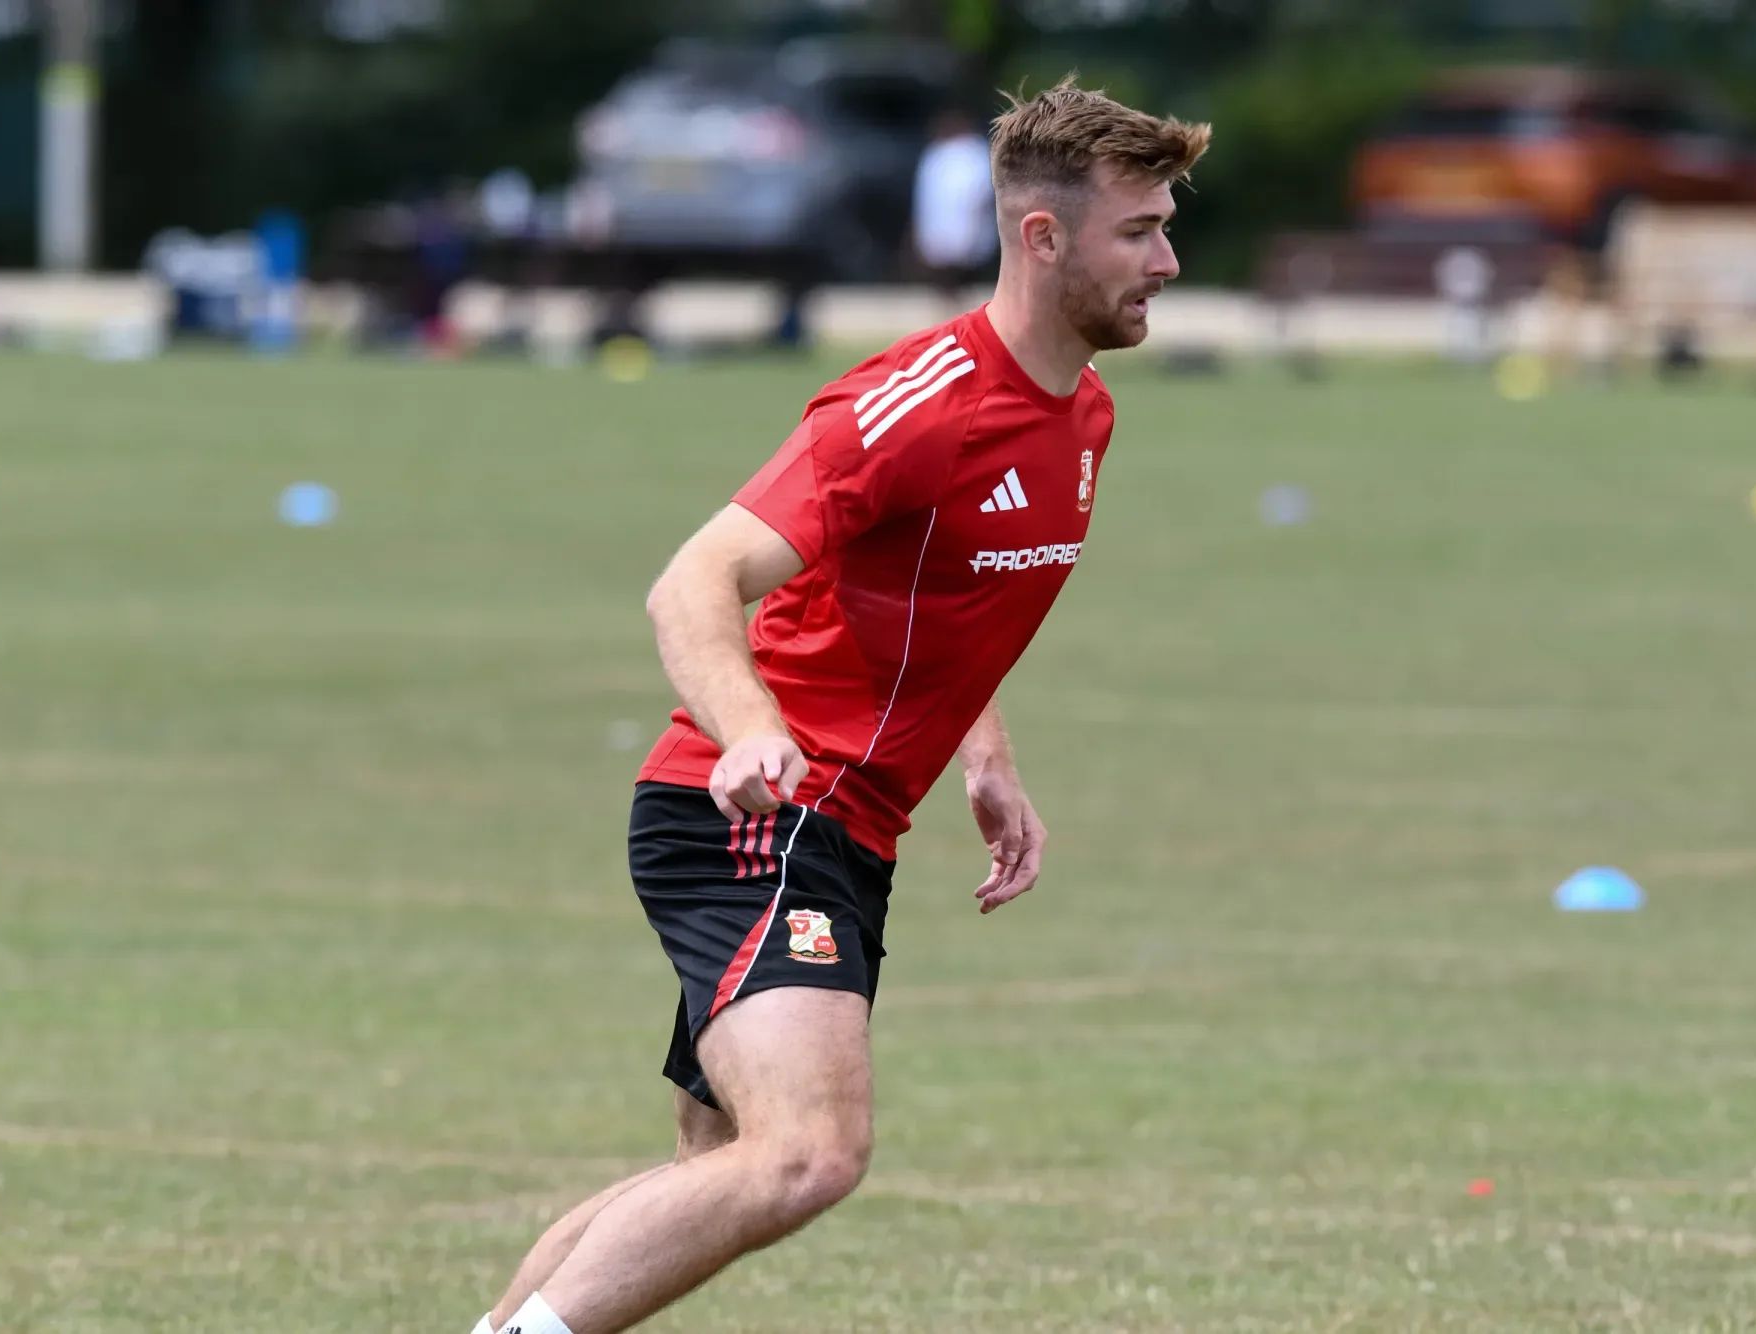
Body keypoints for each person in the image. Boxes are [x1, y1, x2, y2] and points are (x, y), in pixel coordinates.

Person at [474, 77, 1210, 1334]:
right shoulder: (915, 405)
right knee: (810, 1149)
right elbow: (693, 580)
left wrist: (984, 749)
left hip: (847, 826)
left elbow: (941, 596)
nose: (1169, 262)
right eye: (1138, 231)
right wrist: (755, 731)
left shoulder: (1082, 414)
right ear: (1043, 237)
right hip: (760, 811)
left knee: (717, 1165)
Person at [912, 108, 998, 313]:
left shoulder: (973, 152)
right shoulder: (937, 154)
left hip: (968, 221)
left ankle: (962, 301)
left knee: (964, 264)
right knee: (945, 265)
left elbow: (980, 188)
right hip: (942, 222)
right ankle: (951, 302)